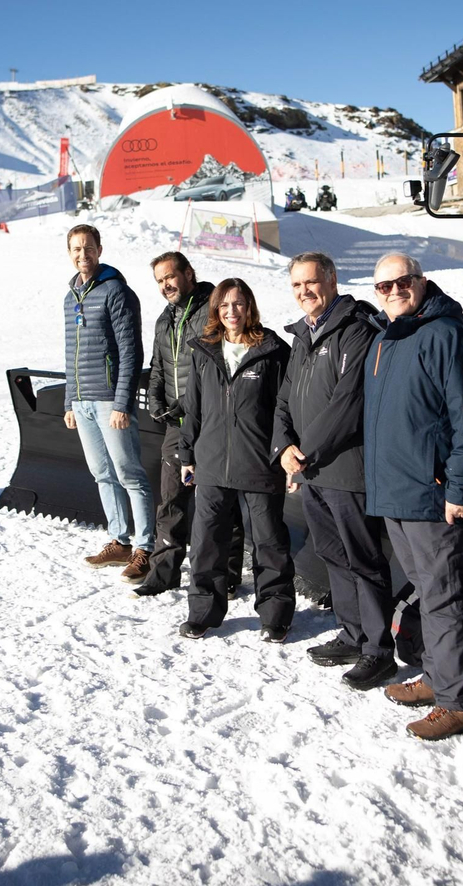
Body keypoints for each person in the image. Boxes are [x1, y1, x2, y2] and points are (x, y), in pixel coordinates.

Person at [362, 252, 463, 740]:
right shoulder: (385, 338)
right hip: (395, 492)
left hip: (430, 494)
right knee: (427, 591)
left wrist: (456, 488)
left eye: (403, 282)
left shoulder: (446, 336)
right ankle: (436, 677)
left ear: (422, 282)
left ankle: (458, 702)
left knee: (443, 594)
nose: (394, 292)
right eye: (384, 286)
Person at [271, 251, 394, 689]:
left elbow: (348, 403)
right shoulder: (303, 337)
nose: (305, 292)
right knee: (333, 556)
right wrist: (283, 445)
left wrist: (301, 451)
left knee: (363, 559)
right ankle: (352, 632)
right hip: (312, 471)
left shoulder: (355, 330)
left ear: (332, 279)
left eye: (312, 282)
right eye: (297, 285)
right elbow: (284, 400)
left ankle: (379, 650)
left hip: (346, 468)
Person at [177, 278, 295, 641]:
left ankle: (275, 614)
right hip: (211, 461)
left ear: (250, 307)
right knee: (207, 541)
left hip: (260, 462)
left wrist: (283, 451)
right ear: (216, 309)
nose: (232, 312)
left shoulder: (272, 350)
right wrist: (187, 452)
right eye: (225, 305)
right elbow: (192, 408)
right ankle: (202, 612)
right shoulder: (203, 350)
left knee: (269, 541)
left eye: (239, 304)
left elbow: (284, 408)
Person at [135, 251, 243, 597]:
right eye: (160, 280)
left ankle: (226, 573)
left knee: (219, 502)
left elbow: (216, 365)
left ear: (188, 274)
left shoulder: (212, 310)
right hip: (177, 426)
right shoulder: (163, 321)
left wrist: (187, 403)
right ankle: (163, 571)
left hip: (212, 421)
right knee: (171, 499)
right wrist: (155, 400)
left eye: (170, 276)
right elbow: (158, 367)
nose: (166, 285)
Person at [62, 224, 156, 576]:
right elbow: (71, 352)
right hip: (84, 402)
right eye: (75, 248)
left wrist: (122, 403)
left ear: (99, 249)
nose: (82, 254)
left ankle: (145, 547)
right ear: (69, 253)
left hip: (109, 401)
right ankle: (119, 541)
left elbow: (131, 351)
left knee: (129, 473)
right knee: (102, 473)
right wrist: (71, 400)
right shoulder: (71, 296)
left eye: (88, 247)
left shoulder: (116, 291)